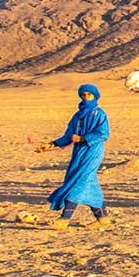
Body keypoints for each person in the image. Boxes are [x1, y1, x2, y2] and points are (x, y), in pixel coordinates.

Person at [35, 84, 111, 230]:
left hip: (92, 151)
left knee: (78, 182)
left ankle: (64, 219)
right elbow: (68, 136)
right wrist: (51, 144)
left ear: (95, 96)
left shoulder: (99, 114)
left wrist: (83, 138)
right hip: (78, 152)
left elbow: (103, 134)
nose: (86, 97)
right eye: (83, 95)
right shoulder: (77, 116)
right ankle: (103, 218)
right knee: (88, 183)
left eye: (89, 94)